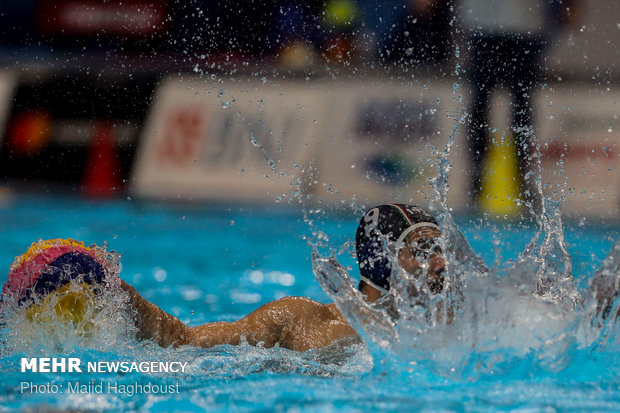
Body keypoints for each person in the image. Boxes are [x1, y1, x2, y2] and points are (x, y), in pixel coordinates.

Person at [2, 204, 445, 352]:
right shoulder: (301, 322)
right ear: (381, 258)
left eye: (442, 249)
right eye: (423, 249)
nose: (442, 263)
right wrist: (115, 290)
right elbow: (183, 343)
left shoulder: (461, 323)